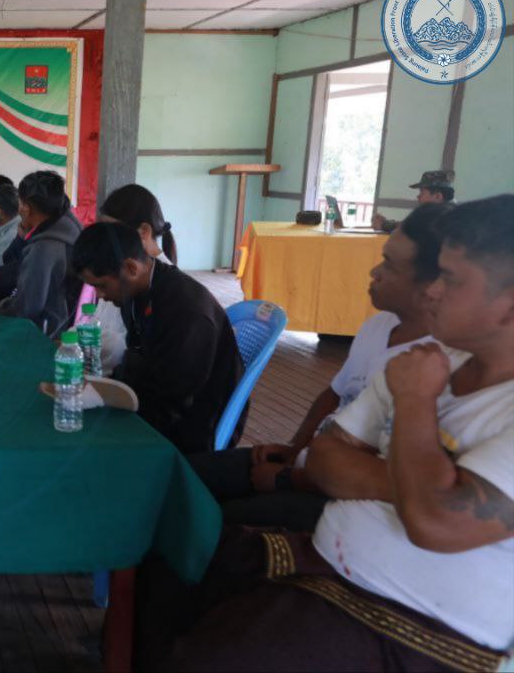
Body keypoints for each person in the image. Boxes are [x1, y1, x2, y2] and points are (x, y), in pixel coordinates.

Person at [143, 194, 514, 671]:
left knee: (212, 656)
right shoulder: (428, 361)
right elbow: (325, 457)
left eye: (451, 279)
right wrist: (428, 486)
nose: (433, 291)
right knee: (173, 556)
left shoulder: (421, 379)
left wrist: (415, 403)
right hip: (333, 564)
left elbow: (435, 523)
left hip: (414, 622)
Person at [187, 203, 446, 531]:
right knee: (186, 476)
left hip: (342, 495)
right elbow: (333, 394)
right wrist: (295, 449)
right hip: (312, 464)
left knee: (217, 523)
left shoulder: (433, 365)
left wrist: (287, 479)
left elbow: (380, 479)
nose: (374, 272)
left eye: (390, 265)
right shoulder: (378, 326)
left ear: (433, 284)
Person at [73, 222, 242, 453]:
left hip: (194, 425)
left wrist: (113, 418)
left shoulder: (187, 312)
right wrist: (106, 390)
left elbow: (173, 402)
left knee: (91, 443)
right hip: (157, 401)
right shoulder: (137, 291)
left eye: (101, 286)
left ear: (131, 268)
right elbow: (140, 362)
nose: (100, 296)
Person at [93, 184, 178, 373]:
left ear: (143, 232)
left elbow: (124, 348)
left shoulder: (165, 289)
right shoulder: (123, 270)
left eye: (113, 234)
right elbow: (100, 323)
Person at [0, 171, 83, 336]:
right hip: (70, 324)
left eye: (20, 202)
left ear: (26, 208)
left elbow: (26, 308)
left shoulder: (43, 248)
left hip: (47, 333)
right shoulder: (70, 224)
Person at [372, 169, 455, 232]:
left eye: (422, 192)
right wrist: (385, 223)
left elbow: (411, 228)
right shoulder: (451, 212)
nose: (418, 196)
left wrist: (383, 224)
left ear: (438, 196)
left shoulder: (443, 218)